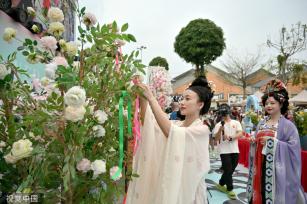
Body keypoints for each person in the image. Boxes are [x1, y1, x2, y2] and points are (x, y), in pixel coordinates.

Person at [126, 76, 214, 204]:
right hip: (169, 182)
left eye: (187, 99)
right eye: (182, 98)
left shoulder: (201, 129)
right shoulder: (176, 124)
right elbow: (150, 125)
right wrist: (144, 98)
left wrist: (151, 98)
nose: (182, 102)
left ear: (200, 104)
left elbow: (171, 132)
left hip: (187, 191)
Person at [247, 79, 307, 204]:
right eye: (267, 103)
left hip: (277, 171)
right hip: (260, 165)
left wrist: (273, 143)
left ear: (281, 104)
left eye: (272, 103)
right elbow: (258, 141)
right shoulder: (261, 123)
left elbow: (294, 149)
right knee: (260, 193)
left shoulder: (288, 126)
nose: (269, 106)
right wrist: (254, 141)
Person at [213, 103, 243, 199]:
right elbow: (216, 139)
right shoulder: (218, 125)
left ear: (229, 112)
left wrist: (231, 138)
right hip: (224, 151)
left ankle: (221, 183)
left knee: (230, 170)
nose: (225, 115)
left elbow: (240, 133)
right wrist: (220, 130)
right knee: (228, 169)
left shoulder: (236, 122)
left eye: (226, 113)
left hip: (235, 150)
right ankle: (230, 189)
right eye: (223, 113)